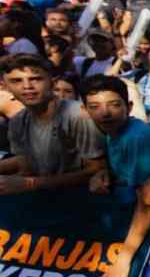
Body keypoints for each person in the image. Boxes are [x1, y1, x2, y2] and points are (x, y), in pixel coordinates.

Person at [0, 54, 105, 194]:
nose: (27, 86)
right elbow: (26, 164)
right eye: (16, 81)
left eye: (36, 79)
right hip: (43, 197)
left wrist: (30, 184)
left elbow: (97, 169)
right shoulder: (17, 122)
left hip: (80, 197)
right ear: (6, 87)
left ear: (52, 82)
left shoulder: (77, 115)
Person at [79, 75, 150, 199]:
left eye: (114, 105)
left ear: (129, 107)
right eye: (95, 107)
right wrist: (105, 174)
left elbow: (146, 194)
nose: (105, 113)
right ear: (84, 110)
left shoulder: (137, 138)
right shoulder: (112, 130)